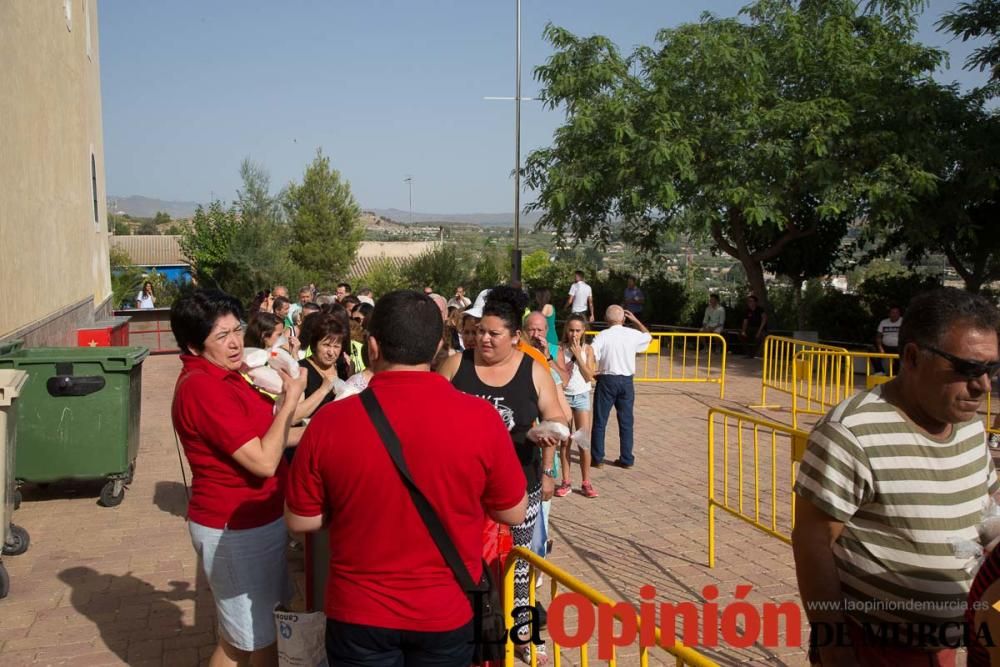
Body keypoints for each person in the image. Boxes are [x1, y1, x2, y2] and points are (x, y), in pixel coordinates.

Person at [285, 290, 528, 666]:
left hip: (358, 614)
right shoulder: (482, 419)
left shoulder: (329, 423)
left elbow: (300, 518)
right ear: (437, 348)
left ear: (373, 346)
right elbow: (513, 512)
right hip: (447, 611)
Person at [792, 288, 1000, 666]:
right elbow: (812, 545)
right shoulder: (851, 431)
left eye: (992, 370)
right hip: (872, 649)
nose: (983, 385)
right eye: (968, 369)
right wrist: (836, 651)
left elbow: (987, 514)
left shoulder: (970, 427)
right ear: (913, 357)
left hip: (947, 648)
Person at [170, 289, 306, 667]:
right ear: (195, 346)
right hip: (234, 529)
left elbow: (269, 438)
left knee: (254, 633)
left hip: (258, 520)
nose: (234, 343)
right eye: (221, 336)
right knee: (250, 641)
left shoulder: (229, 376)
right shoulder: (203, 388)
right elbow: (263, 460)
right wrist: (291, 400)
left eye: (236, 330)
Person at [438, 288, 566, 663]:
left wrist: (546, 445)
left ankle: (522, 637)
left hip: (518, 491)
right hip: (463, 494)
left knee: (520, 568)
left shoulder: (533, 370)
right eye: (480, 332)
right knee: (467, 568)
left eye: (494, 334)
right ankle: (472, 637)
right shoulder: (454, 366)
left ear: (515, 337)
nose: (484, 339)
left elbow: (557, 418)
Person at [590, 305, 652, 469]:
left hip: (607, 378)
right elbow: (648, 337)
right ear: (624, 318)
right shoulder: (632, 334)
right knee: (626, 421)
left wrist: (591, 372)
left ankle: (597, 457)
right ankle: (626, 458)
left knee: (600, 420)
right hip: (626, 381)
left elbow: (591, 354)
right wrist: (636, 321)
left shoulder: (602, 335)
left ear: (605, 318)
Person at [553, 315, 598, 498]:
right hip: (564, 396)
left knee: (582, 441)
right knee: (565, 440)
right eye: (571, 330)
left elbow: (589, 376)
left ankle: (586, 482)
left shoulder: (588, 349)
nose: (574, 334)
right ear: (566, 330)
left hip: (581, 396)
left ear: (584, 331)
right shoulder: (560, 349)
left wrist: (579, 355)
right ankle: (566, 481)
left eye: (578, 330)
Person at [295, 312, 348, 423]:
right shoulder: (300, 370)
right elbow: (293, 417)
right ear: (314, 345)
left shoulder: (343, 367)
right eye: (326, 345)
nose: (331, 352)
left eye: (336, 346)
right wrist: (323, 390)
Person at [876, 305, 904, 374]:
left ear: (899, 314)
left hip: (899, 347)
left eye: (896, 312)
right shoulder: (883, 322)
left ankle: (895, 373)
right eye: (892, 312)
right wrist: (880, 348)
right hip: (885, 347)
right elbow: (878, 336)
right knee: (871, 349)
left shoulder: (903, 321)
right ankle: (880, 371)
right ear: (889, 314)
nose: (894, 315)